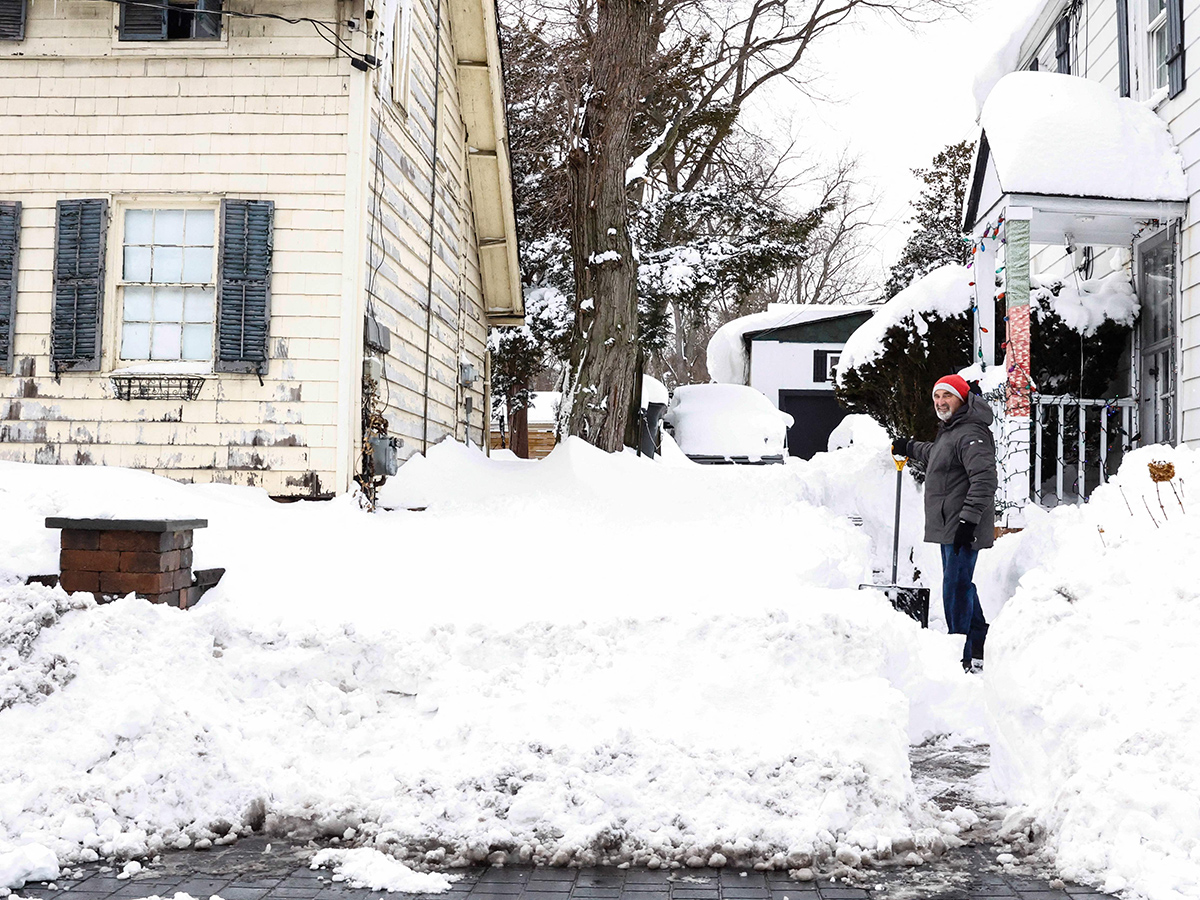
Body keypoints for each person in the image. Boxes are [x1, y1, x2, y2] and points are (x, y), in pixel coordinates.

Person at [891, 374, 997, 673]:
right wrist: (909, 447)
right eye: (937, 397)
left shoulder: (971, 433)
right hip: (950, 523)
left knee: (955, 588)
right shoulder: (952, 431)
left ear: (961, 398)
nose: (940, 402)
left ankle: (958, 654)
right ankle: (978, 642)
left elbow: (985, 479)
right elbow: (937, 455)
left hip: (963, 523)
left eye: (947, 396)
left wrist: (968, 520)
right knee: (959, 585)